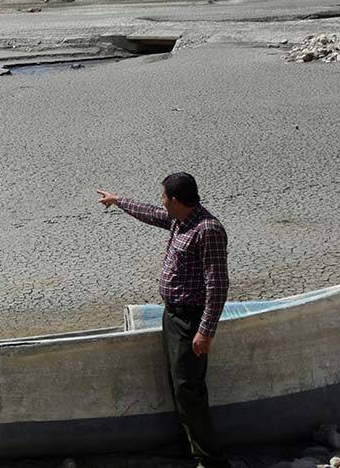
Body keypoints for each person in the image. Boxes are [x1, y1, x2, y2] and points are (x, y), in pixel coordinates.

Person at [96, 173, 229, 468]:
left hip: (190, 321)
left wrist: (206, 331)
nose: (162, 202)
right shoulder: (179, 220)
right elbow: (150, 213)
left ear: (176, 201)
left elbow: (218, 285)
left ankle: (210, 460)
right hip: (173, 316)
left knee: (189, 389)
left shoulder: (207, 230)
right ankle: (189, 447)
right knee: (177, 385)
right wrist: (118, 201)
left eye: (164, 197)